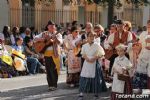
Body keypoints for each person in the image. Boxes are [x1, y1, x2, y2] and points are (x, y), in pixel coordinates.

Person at [34, 20, 63, 91]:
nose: (52, 27)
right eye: (50, 26)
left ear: (55, 27)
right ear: (48, 27)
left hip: (55, 54)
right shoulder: (44, 33)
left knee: (54, 69)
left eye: (53, 26)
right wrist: (43, 39)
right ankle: (50, 85)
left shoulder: (58, 34)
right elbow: (35, 39)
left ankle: (54, 85)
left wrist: (55, 38)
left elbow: (60, 42)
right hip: (47, 54)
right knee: (48, 70)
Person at [78, 31, 107, 100]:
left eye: (93, 36)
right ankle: (81, 93)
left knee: (96, 78)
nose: (92, 37)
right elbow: (83, 54)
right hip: (86, 63)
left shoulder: (97, 45)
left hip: (95, 62)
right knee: (84, 77)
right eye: (90, 36)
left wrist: (94, 58)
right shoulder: (84, 45)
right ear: (87, 37)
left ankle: (95, 94)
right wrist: (87, 58)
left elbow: (102, 54)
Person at [133, 20, 150, 93]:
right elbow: (139, 44)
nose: (149, 27)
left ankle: (147, 90)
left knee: (148, 73)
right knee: (140, 72)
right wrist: (137, 53)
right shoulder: (143, 33)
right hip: (143, 54)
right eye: (148, 25)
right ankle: (140, 89)